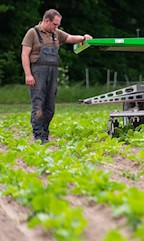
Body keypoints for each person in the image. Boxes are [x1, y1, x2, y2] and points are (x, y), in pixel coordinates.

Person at [21, 9, 92, 143]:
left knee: (50, 108)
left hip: (53, 72)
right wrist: (28, 74)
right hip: (37, 71)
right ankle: (37, 136)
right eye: (55, 24)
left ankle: (45, 135)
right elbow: (25, 54)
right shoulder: (33, 33)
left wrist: (84, 37)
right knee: (38, 106)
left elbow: (70, 38)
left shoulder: (56, 34)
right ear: (46, 21)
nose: (56, 27)